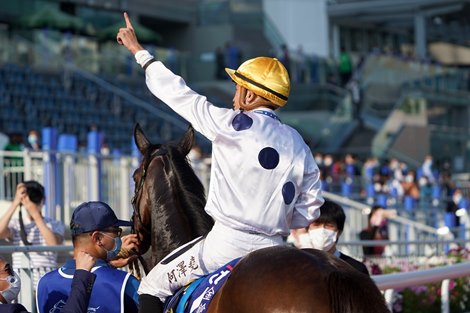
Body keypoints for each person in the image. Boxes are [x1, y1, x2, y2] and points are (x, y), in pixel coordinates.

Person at [117, 12, 324, 312]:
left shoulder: (229, 124)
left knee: (151, 285)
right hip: (276, 248)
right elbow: (310, 207)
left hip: (224, 246)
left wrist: (139, 52)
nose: (234, 94)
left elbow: (178, 94)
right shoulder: (299, 143)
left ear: (251, 95)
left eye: (238, 87)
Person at [36, 201, 140, 313]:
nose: (119, 237)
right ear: (98, 238)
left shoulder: (45, 283)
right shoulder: (124, 282)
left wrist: (108, 266)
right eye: (116, 232)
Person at [0, 181, 64, 285]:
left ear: (43, 200)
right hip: (21, 284)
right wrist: (15, 203)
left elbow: (53, 244)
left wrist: (35, 214)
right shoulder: (17, 223)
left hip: (46, 283)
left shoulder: (54, 224)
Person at [289, 200, 369, 275]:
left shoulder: (355, 269)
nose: (322, 230)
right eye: (316, 225)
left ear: (339, 232)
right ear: (308, 229)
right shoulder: (296, 267)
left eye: (329, 226)